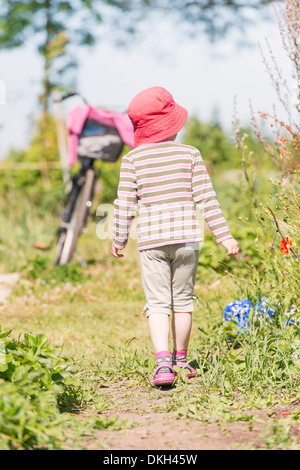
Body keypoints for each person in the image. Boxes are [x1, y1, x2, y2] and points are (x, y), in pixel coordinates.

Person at [111, 86, 239, 387]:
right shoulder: (190, 154)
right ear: (173, 124)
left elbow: (125, 203)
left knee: (157, 304)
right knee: (183, 302)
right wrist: (224, 236)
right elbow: (208, 199)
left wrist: (119, 239)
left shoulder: (133, 160)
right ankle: (182, 361)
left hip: (152, 243)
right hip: (187, 241)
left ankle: (163, 365)